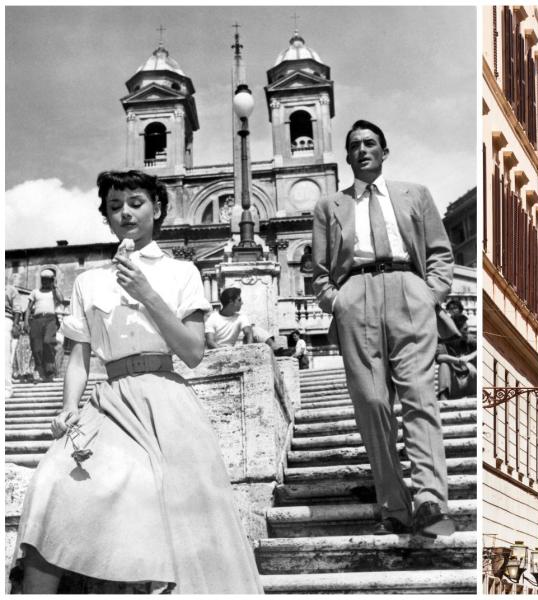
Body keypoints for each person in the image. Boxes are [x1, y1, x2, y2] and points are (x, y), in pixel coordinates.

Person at [9, 170, 262, 593]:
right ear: (105, 216)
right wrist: (69, 406)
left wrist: (146, 292)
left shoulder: (183, 273)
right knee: (52, 479)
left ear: (157, 209)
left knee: (164, 504)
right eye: (113, 206)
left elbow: (193, 352)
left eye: (135, 202)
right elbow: (78, 355)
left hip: (164, 400)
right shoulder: (90, 282)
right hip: (108, 401)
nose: (124, 213)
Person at [311, 120, 455, 538]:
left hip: (409, 289)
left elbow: (440, 253)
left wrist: (432, 294)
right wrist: (335, 301)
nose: (362, 150)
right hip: (355, 295)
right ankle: (393, 502)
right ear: (347, 156)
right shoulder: (329, 206)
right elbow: (318, 271)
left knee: (419, 397)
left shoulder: (415, 194)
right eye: (354, 145)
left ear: (384, 151)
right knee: (372, 402)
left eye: (370, 143)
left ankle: (430, 499)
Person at [25, 269, 64, 381]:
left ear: (52, 280)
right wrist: (26, 321)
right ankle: (40, 372)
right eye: (43, 280)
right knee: (37, 347)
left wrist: (55, 286)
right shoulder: (35, 292)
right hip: (37, 320)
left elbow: (61, 300)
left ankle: (50, 371)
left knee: (48, 342)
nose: (45, 282)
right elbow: (28, 308)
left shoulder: (54, 292)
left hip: (50, 319)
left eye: (48, 280)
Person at [436, 313, 476, 400]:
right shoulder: (444, 341)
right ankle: (444, 401)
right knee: (444, 366)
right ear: (456, 330)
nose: (467, 332)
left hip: (470, 380)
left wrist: (469, 357)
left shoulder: (468, 338)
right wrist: (459, 361)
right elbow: (439, 357)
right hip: (454, 382)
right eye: (465, 329)